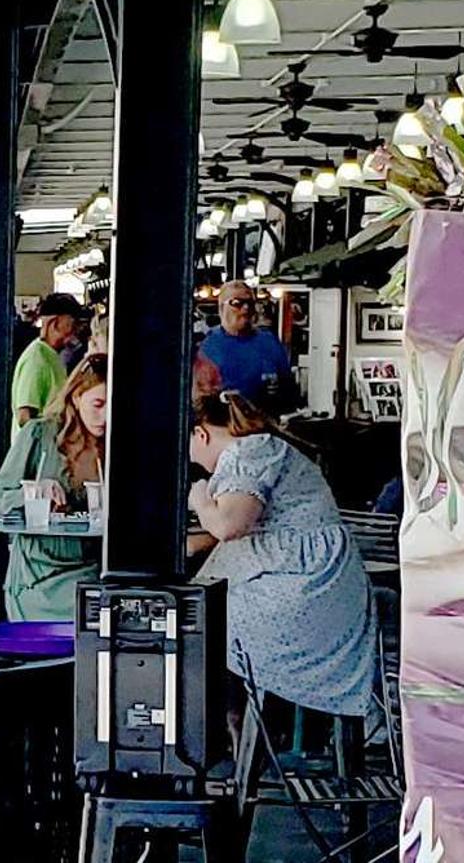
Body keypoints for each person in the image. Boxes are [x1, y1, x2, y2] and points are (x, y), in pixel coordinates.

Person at [186, 391, 375, 722]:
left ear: (200, 434)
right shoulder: (265, 448)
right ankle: (243, 729)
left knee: (198, 622)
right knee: (204, 615)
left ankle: (234, 731)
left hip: (303, 595)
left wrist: (200, 500)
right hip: (323, 590)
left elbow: (229, 526)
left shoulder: (247, 451)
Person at [0, 355, 107, 621]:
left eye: (113, 406)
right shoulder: (40, 435)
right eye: (98, 404)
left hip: (95, 572)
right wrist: (31, 492)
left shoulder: (114, 445)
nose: (105, 416)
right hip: (38, 578)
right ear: (76, 398)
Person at [197, 280, 294, 406]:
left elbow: (289, 391)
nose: (246, 308)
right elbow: (200, 401)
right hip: (226, 422)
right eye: (237, 303)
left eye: (250, 303)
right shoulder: (208, 348)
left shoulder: (269, 343)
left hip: (266, 420)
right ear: (221, 308)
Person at [11, 293, 90, 430]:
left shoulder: (51, 356)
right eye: (73, 323)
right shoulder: (36, 359)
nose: (77, 329)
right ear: (54, 323)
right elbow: (25, 416)